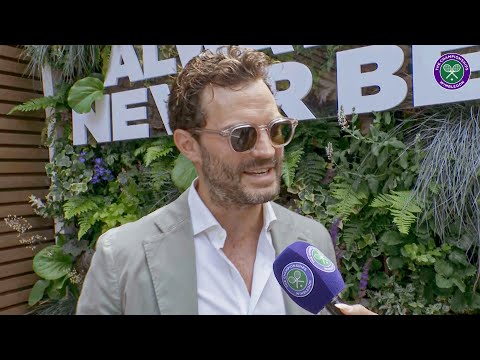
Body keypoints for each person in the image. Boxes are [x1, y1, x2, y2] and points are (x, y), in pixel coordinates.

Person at [76, 46, 375, 315]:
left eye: (277, 130)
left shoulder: (312, 239)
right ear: (188, 145)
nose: (266, 150)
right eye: (242, 135)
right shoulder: (121, 259)